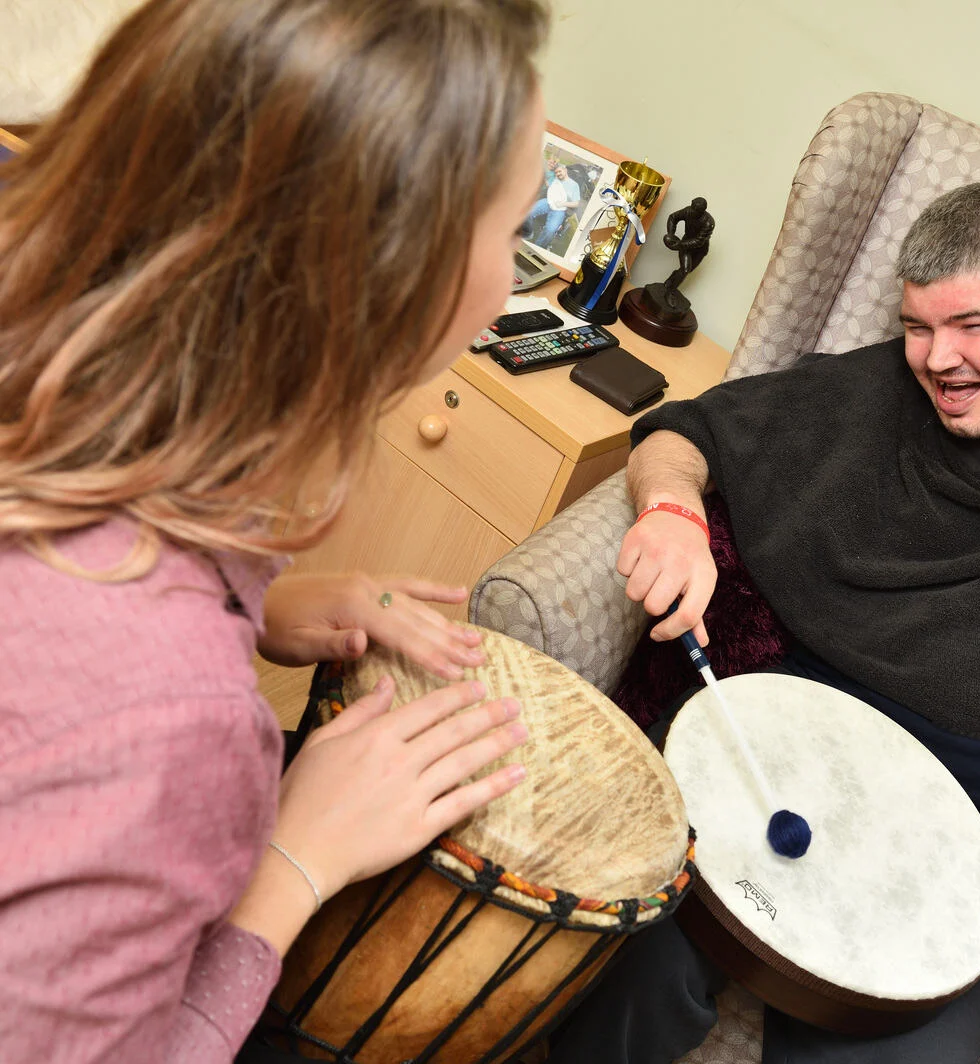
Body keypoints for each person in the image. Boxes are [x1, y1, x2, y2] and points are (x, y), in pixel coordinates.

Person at [546, 182, 980, 1064]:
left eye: (972, 326)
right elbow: (682, 433)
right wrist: (673, 511)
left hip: (963, 837)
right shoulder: (875, 393)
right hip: (775, 745)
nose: (935, 359)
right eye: (919, 326)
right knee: (620, 955)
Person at [0, 0, 548, 1060]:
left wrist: (255, 604)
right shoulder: (170, 723)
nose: (515, 285)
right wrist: (292, 859)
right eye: (518, 232)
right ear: (392, 279)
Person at [526, 161, 582, 250]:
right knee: (529, 211)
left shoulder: (574, 185)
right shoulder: (556, 180)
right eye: (556, 172)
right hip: (548, 202)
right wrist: (545, 179)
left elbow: (576, 203)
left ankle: (538, 247)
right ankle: (528, 233)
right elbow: (550, 187)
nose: (558, 173)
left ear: (565, 170)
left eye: (560, 171)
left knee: (550, 229)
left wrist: (563, 204)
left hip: (560, 210)